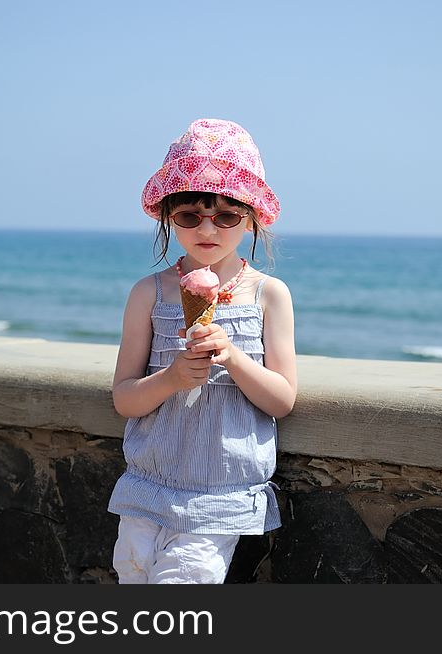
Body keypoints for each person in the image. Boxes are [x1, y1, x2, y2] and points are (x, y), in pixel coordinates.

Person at [108, 118, 297, 584]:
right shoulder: (148, 293)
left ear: (250, 217)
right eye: (190, 215)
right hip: (148, 484)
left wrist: (232, 357)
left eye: (227, 215)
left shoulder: (268, 295)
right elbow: (124, 398)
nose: (207, 228)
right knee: (131, 576)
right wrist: (170, 378)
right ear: (170, 217)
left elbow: (282, 399)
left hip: (218, 492)